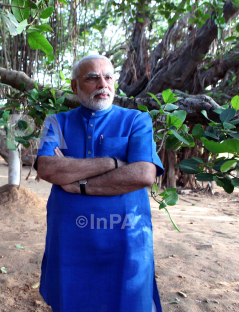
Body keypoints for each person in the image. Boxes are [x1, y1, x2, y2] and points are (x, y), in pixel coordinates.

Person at [34, 55, 164, 312]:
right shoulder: (56, 122)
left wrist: (78, 183)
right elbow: (47, 167)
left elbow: (144, 174)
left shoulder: (137, 121)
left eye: (108, 77)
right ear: (75, 86)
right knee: (71, 301)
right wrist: (113, 163)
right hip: (70, 239)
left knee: (128, 302)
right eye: (92, 78)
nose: (102, 84)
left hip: (125, 237)